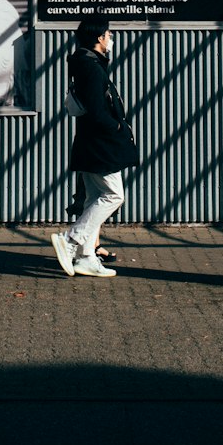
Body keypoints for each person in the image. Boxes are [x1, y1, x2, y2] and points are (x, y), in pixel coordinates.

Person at [50, 15, 139, 278]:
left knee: (92, 198)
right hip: (100, 145)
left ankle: (87, 257)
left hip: (90, 143)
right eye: (109, 34)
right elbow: (96, 109)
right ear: (99, 37)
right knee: (114, 196)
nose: (111, 38)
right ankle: (70, 240)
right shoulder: (90, 66)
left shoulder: (87, 63)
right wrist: (117, 127)